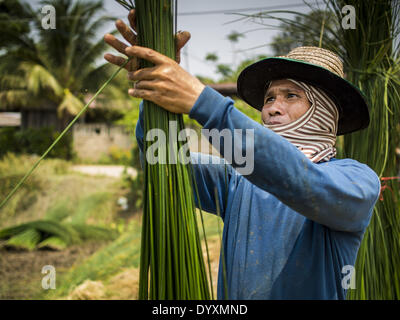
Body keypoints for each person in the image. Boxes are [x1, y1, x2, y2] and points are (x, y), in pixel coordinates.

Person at [104, 10, 380, 300]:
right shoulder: (238, 179)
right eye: (269, 98)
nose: (272, 107)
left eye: (291, 96)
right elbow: (161, 159)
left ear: (323, 112)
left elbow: (300, 179)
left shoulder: (357, 182)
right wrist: (153, 89)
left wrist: (203, 102)